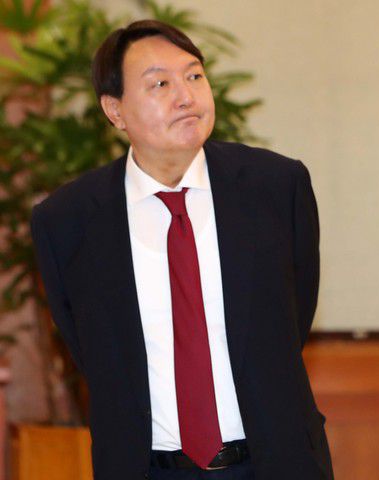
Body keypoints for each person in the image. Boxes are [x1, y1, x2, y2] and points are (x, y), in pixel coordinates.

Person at [30, 20, 333, 480]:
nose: (186, 96)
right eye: (160, 84)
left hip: (274, 462)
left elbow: (292, 318)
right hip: (147, 469)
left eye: (194, 76)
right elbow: (90, 349)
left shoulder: (276, 187)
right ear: (115, 110)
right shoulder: (67, 221)